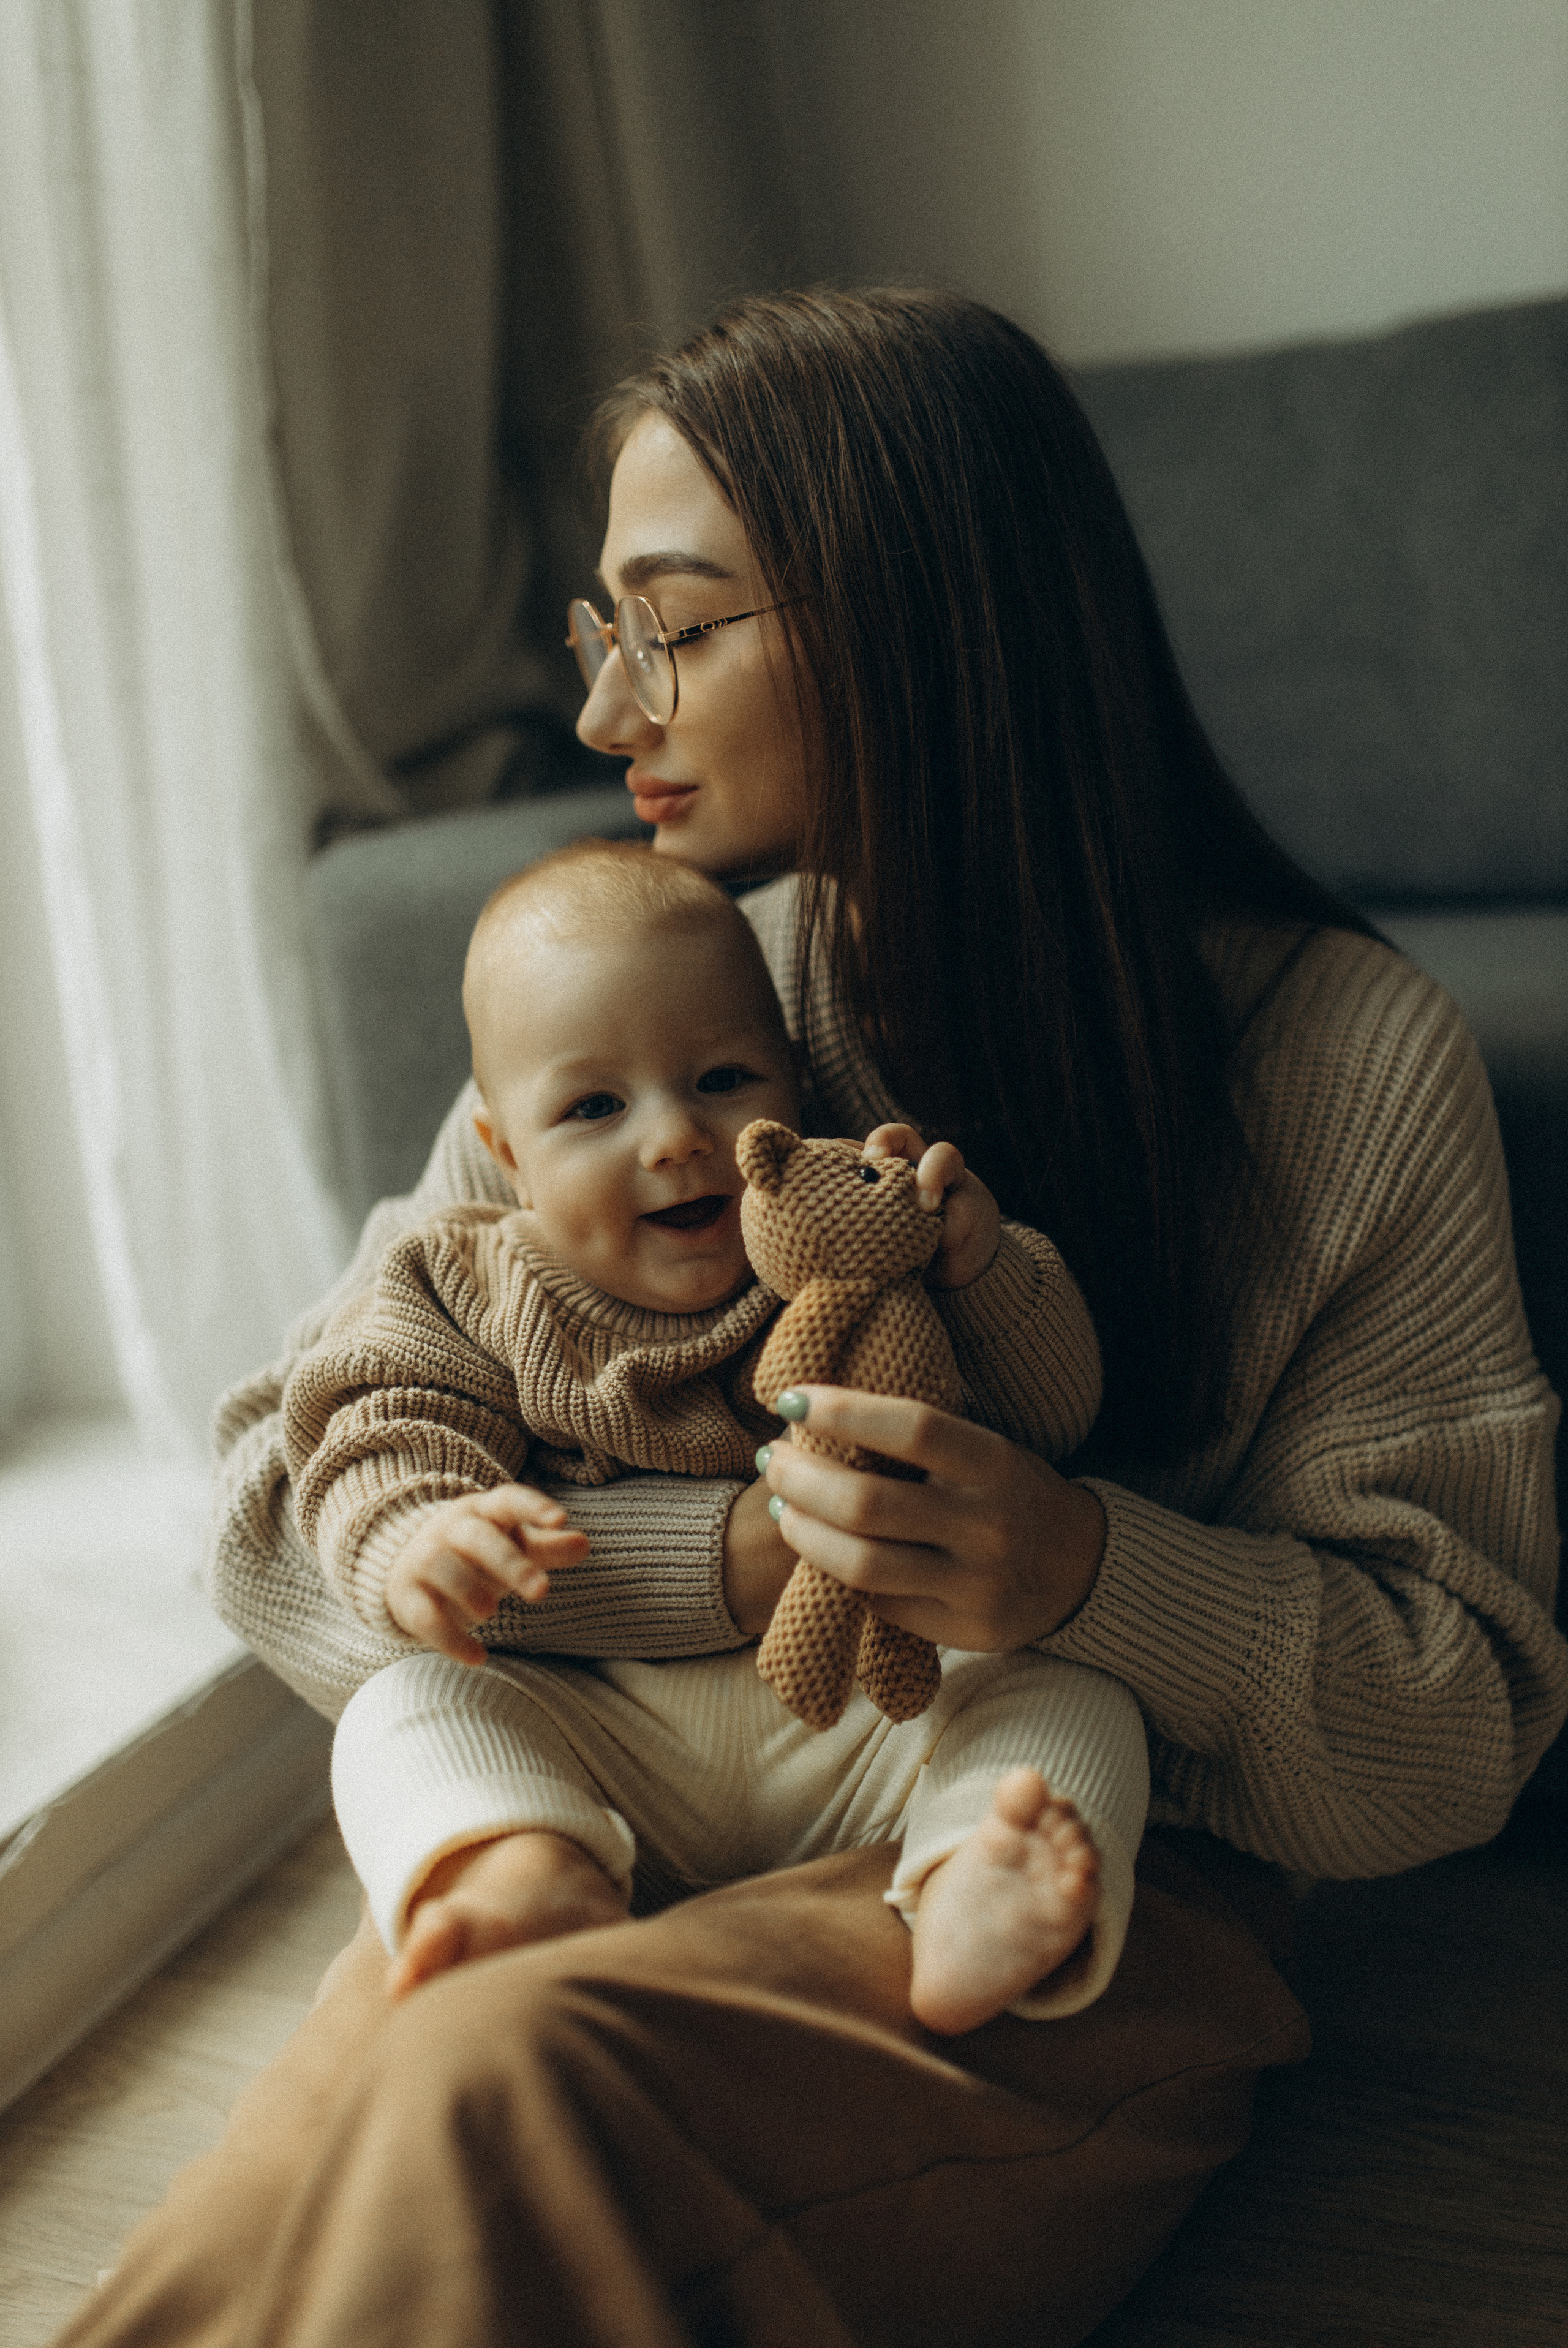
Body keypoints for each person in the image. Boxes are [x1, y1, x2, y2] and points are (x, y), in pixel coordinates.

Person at [56, 287, 1567, 2348]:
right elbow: (286, 1492)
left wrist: (1081, 1573)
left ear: (909, 622)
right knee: (328, 2140)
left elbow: (1456, 1725)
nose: (607, 717)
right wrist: (711, 1569)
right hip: (612, 1825)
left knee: (490, 2086)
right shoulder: (660, 998)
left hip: (1056, 1880)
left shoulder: (1341, 1062)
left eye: (672, 627)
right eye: (605, 633)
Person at [294, 837, 1145, 2032]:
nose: (675, 1138)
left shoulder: (855, 1228)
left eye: (723, 1079)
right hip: (603, 1724)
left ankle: (972, 1881)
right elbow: (372, 1419)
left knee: (1068, 1685)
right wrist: (415, 1534)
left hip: (871, 1715)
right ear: (502, 1153)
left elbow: (1056, 1416)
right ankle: (525, 1872)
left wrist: (983, 1272)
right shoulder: (464, 1278)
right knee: (406, 1708)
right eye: (593, 1106)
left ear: (792, 1086)